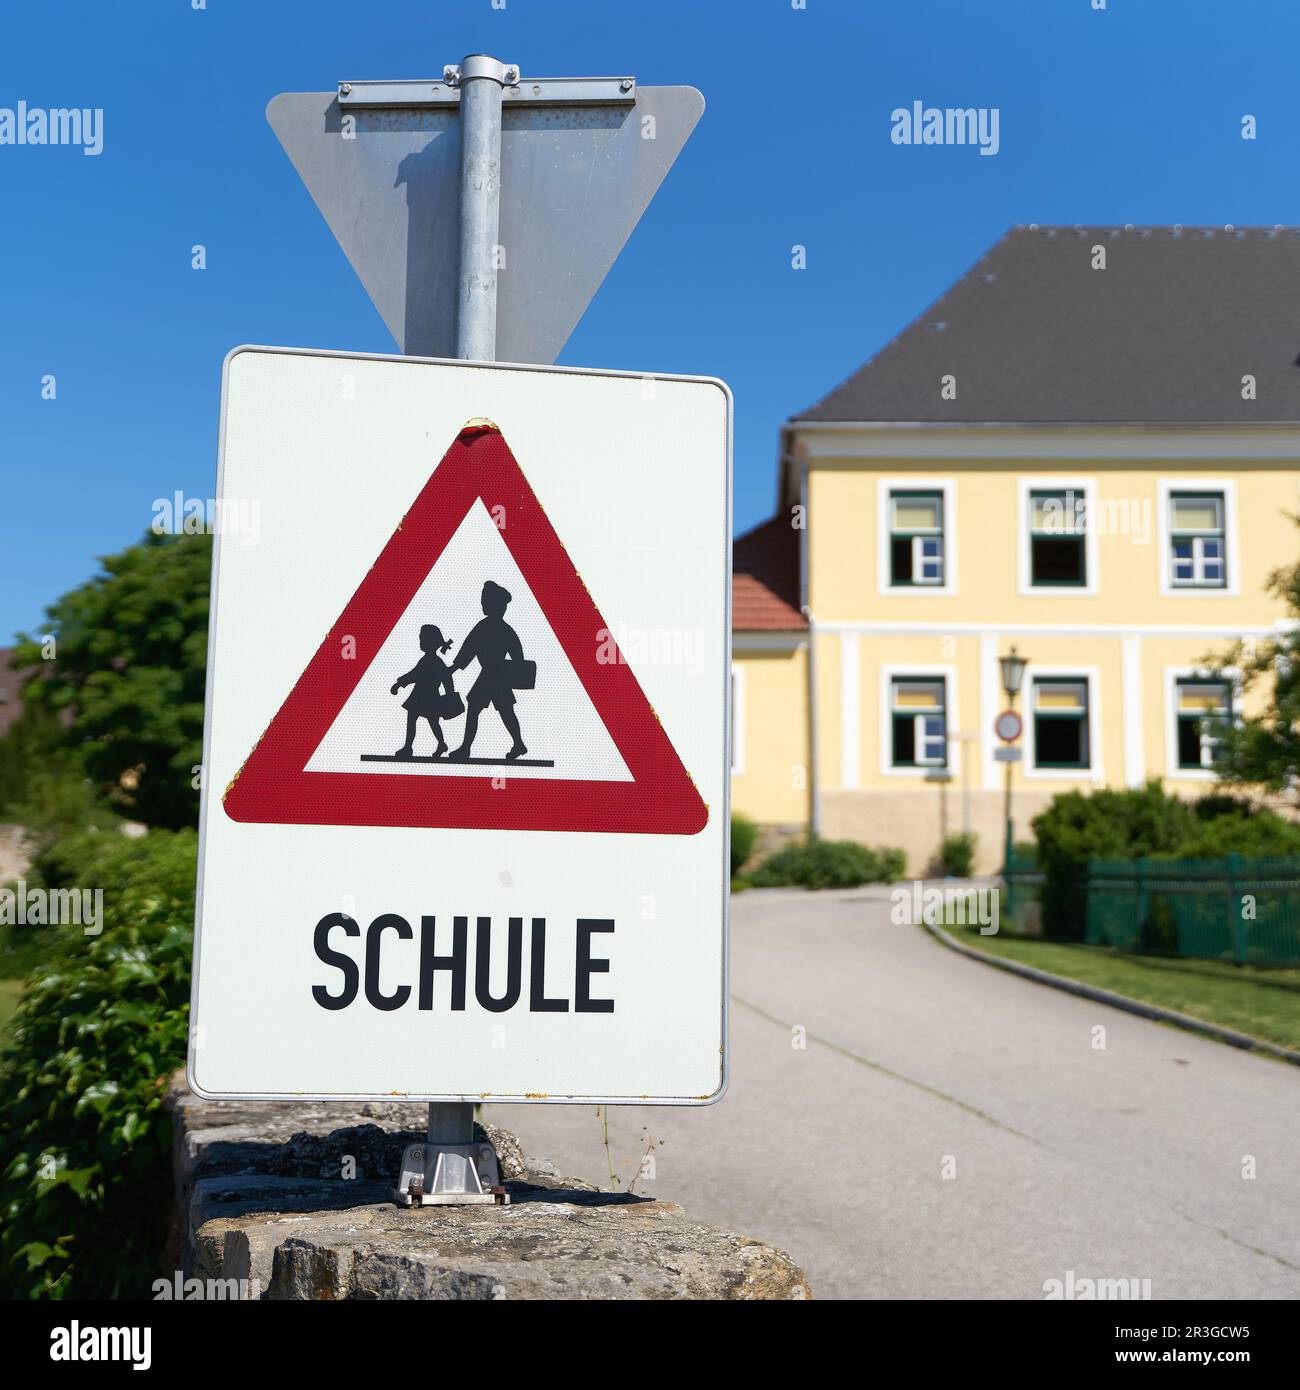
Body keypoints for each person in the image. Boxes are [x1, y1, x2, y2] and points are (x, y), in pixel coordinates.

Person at [449, 580, 528, 761]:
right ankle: (518, 743)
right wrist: (454, 667)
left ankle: (466, 748)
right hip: (498, 677)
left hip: (493, 676)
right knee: (505, 711)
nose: (482, 604)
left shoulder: (488, 627)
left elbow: (469, 648)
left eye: (485, 601)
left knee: (481, 709)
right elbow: (470, 649)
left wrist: (454, 667)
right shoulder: (504, 629)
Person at [390, 625, 459, 758]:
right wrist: (399, 683)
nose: (421, 642)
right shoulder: (429, 660)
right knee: (418, 720)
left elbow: (415, 675)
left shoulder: (432, 661)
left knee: (432, 722)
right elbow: (414, 675)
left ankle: (437, 744)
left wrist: (399, 684)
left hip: (427, 697)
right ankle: (410, 747)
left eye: (423, 639)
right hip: (420, 697)